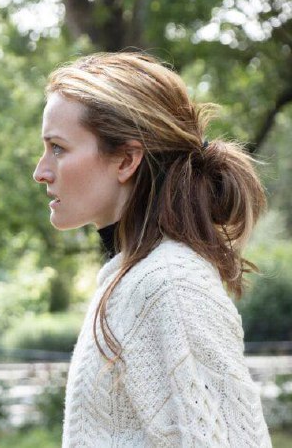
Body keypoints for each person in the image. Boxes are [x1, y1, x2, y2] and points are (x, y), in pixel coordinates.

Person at [33, 52, 271, 447]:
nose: (40, 171)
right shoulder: (134, 277)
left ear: (126, 160)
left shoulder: (171, 284)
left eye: (58, 148)